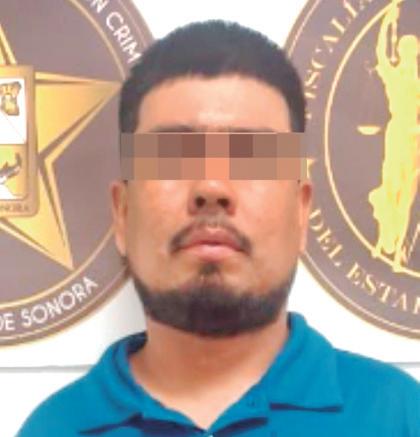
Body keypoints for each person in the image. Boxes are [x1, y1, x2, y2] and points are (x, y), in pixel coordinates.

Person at [18, 20, 419, 437]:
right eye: (172, 155)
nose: (211, 187)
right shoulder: (54, 429)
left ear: (301, 212)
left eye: (250, 156)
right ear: (122, 213)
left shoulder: (399, 416)